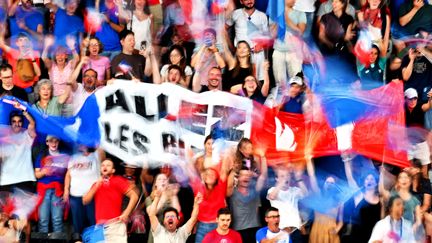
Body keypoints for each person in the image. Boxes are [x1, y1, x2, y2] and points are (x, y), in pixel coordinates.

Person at [83, 159, 139, 242]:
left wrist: (126, 213)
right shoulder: (96, 184)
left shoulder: (118, 180)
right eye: (103, 165)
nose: (105, 167)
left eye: (108, 165)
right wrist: (97, 185)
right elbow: (85, 201)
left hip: (115, 225)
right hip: (100, 226)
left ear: (113, 170)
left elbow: (134, 196)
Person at [63, 146, 104, 240]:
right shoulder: (74, 157)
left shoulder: (96, 155)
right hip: (75, 196)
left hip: (92, 196)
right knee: (77, 225)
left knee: (92, 222)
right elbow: (68, 175)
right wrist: (66, 189)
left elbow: (102, 150)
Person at [225, 0, 268, 81]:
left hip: (257, 55)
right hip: (241, 54)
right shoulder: (236, 13)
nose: (249, 1)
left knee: (257, 81)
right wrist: (230, 46)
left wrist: (261, 44)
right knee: (239, 79)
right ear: (241, 2)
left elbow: (267, 37)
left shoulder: (262, 16)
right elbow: (224, 29)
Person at [34, 135, 69, 234]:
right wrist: (43, 172)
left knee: (57, 220)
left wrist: (66, 190)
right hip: (43, 190)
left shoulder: (64, 157)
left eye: (56, 141)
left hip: (58, 191)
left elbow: (69, 175)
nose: (53, 144)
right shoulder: (41, 156)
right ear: (47, 142)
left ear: (59, 142)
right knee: (43, 220)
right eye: (51, 141)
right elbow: (36, 174)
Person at [228, 160, 268, 243]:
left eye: (248, 175)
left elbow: (263, 176)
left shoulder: (255, 190)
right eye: (243, 175)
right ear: (238, 177)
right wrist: (233, 170)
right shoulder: (233, 192)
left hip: (255, 228)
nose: (246, 177)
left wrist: (263, 157)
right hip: (238, 230)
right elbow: (228, 186)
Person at [267, 167, 308, 243]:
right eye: (282, 176)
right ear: (277, 179)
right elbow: (272, 196)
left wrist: (299, 179)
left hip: (296, 230)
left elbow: (306, 194)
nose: (286, 178)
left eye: (287, 175)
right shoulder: (272, 190)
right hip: (281, 230)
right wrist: (280, 183)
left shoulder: (294, 190)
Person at [271, 0, 306, 85]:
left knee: (297, 82)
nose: (294, 0)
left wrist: (286, 19)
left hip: (294, 51)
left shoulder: (300, 14)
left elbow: (300, 32)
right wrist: (278, 20)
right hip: (278, 51)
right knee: (279, 83)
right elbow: (272, 35)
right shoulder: (275, 14)